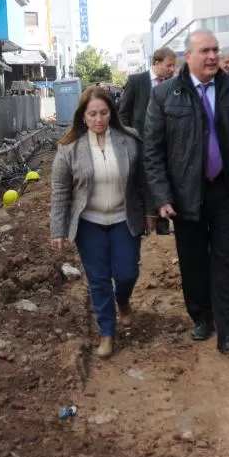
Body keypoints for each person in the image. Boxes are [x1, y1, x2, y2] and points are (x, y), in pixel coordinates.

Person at [144, 29, 229, 357]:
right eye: (204, 51)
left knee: (226, 258)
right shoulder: (166, 95)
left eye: (215, 50)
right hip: (185, 194)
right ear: (188, 57)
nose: (212, 56)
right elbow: (153, 151)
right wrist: (162, 197)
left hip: (226, 191)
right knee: (194, 260)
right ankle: (201, 315)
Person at [50, 86, 147, 359]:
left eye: (104, 113)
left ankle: (124, 301)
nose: (98, 119)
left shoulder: (129, 140)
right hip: (89, 222)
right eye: (92, 114)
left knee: (127, 272)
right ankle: (107, 332)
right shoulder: (69, 148)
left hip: (123, 218)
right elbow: (60, 191)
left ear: (111, 113)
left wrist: (150, 212)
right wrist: (58, 229)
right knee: (98, 279)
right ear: (83, 116)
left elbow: (143, 180)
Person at [118, 46, 177, 235]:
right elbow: (124, 112)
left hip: (165, 143)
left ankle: (163, 223)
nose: (172, 69)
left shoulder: (172, 84)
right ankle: (145, 221)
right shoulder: (137, 81)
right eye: (169, 65)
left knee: (162, 178)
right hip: (140, 141)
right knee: (143, 181)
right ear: (157, 63)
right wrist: (127, 137)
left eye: (173, 66)